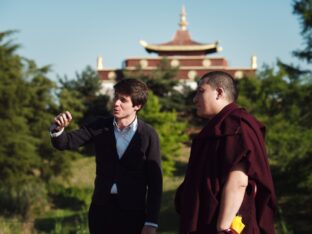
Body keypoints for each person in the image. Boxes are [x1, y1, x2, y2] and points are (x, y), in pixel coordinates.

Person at [50, 78, 162, 234]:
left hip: (134, 214)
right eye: (116, 97)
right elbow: (65, 142)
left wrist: (152, 222)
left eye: (123, 100)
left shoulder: (148, 135)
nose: (116, 103)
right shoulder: (99, 126)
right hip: (100, 211)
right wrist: (57, 129)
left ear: (137, 106)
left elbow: (155, 183)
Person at [175, 71, 276, 234]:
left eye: (201, 91)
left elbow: (239, 180)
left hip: (226, 226)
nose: (195, 99)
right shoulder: (216, 128)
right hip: (206, 222)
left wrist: (223, 226)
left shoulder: (236, 125)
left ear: (219, 92)